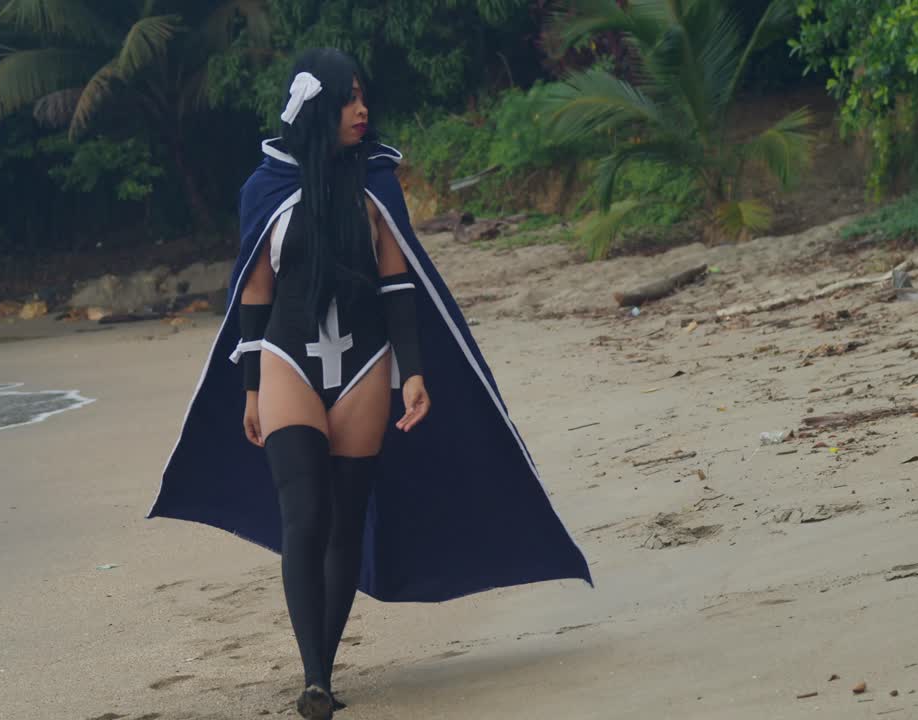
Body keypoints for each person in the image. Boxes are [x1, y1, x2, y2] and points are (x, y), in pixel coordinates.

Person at [149, 48, 591, 720]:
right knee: (306, 517)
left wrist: (412, 373)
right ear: (321, 108)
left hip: (362, 370)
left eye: (364, 98)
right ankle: (316, 677)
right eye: (350, 100)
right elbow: (254, 295)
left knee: (346, 522)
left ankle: (322, 670)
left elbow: (398, 286)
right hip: (286, 365)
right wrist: (246, 389)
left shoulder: (375, 187)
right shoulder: (263, 191)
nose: (362, 111)